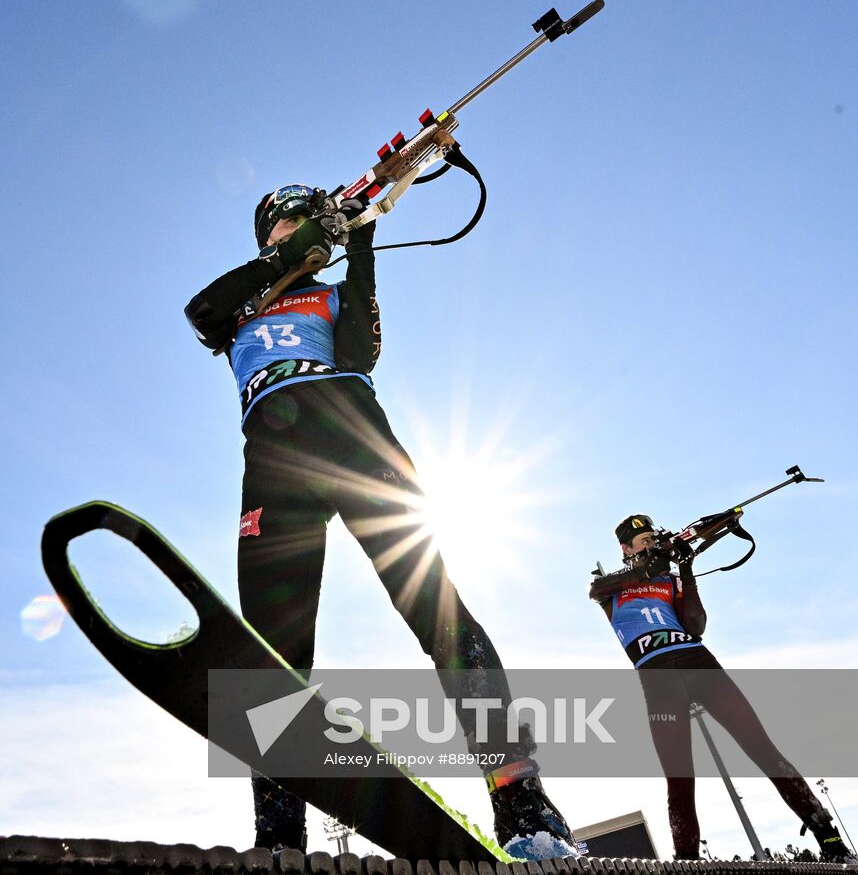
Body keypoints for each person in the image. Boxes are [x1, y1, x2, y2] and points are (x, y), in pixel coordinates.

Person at [184, 184, 576, 859]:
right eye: (286, 218)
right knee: (273, 656)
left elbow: (359, 354)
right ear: (268, 231)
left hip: (354, 433)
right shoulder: (241, 305)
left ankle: (525, 809)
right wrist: (294, 255)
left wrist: (360, 243)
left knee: (438, 611)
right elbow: (202, 312)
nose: (296, 225)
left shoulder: (332, 291)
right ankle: (279, 838)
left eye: (304, 217)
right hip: (274, 457)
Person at [589, 513, 856, 865]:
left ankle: (831, 839)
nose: (652, 545)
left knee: (761, 748)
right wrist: (653, 564)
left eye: (655, 539)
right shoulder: (611, 585)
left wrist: (684, 571)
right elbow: (596, 590)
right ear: (626, 549)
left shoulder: (669, 580)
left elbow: (696, 626)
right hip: (658, 680)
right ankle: (687, 861)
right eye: (644, 542)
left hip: (699, 664)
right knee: (679, 776)